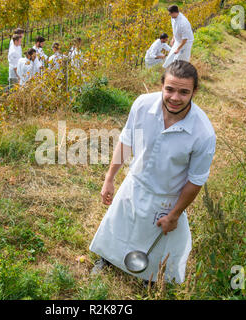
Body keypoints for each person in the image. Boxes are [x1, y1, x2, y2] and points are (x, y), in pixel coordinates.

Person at [89, 61, 216, 287]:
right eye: (170, 89)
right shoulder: (142, 105)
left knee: (155, 242)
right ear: (162, 86)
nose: (175, 97)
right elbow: (126, 143)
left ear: (194, 92)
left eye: (184, 92)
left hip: (166, 197)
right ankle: (107, 259)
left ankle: (151, 279)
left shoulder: (203, 133)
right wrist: (109, 179)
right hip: (135, 182)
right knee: (118, 225)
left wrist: (175, 214)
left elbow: (196, 180)